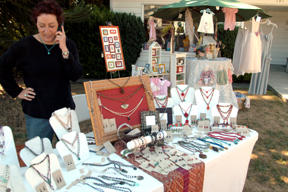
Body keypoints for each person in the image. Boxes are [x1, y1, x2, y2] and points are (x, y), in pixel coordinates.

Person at [0, 0, 82, 141]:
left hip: (65, 112)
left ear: (60, 25)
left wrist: (64, 50)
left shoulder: (68, 45)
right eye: (41, 26)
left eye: (51, 26)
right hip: (37, 112)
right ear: (35, 23)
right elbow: (2, 66)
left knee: (73, 154)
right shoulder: (24, 46)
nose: (46, 31)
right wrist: (16, 91)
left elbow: (75, 75)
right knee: (41, 156)